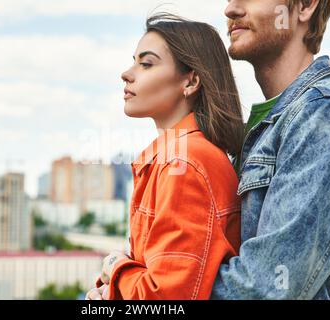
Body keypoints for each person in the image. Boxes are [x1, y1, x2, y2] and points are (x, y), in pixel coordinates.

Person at [85, 13, 245, 300]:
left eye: (146, 64)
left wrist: (114, 265)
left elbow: (165, 298)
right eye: (134, 61)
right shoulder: (174, 157)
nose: (127, 73)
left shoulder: (184, 163)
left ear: (191, 81)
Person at [211, 0, 330, 299]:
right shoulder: (259, 127)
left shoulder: (323, 115)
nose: (231, 10)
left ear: (304, 6)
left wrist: (143, 289)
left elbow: (264, 288)